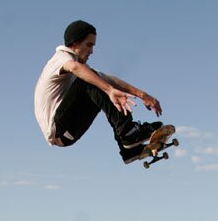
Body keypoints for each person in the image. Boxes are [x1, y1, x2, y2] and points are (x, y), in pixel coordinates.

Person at [34, 20, 163, 164]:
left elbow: (109, 79)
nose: (92, 51)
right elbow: (75, 68)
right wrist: (109, 90)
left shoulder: (80, 65)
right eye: (89, 45)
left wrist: (142, 94)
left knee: (98, 80)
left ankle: (129, 149)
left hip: (67, 133)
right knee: (91, 80)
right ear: (75, 43)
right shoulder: (61, 58)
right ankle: (129, 132)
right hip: (59, 130)